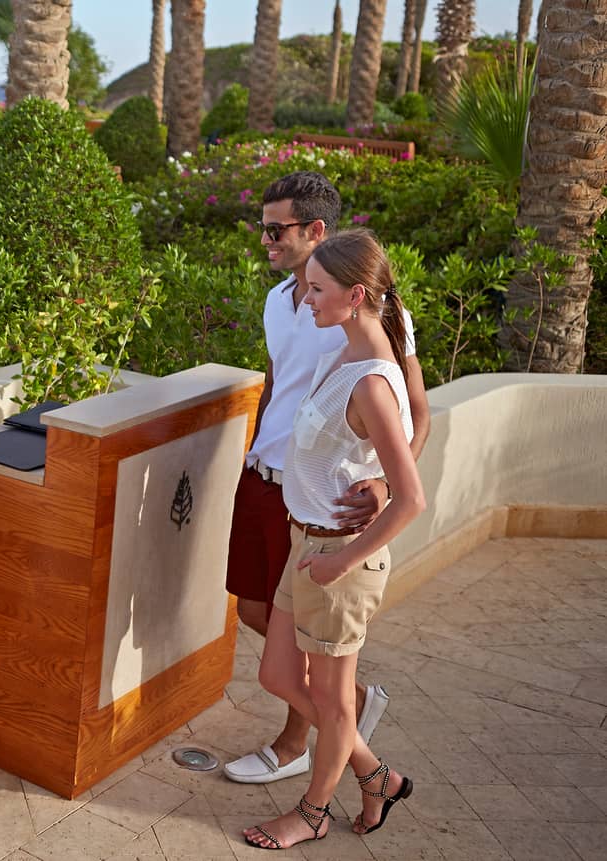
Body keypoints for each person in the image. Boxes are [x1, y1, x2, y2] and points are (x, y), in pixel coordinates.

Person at [223, 172, 430, 786]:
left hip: (325, 500)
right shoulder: (276, 302)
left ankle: (297, 741)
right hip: (263, 479)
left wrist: (390, 487)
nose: (265, 240)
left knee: (303, 635)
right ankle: (354, 709)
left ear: (316, 230)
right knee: (256, 613)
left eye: (275, 229)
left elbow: (415, 409)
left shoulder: (379, 312)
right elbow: (277, 386)